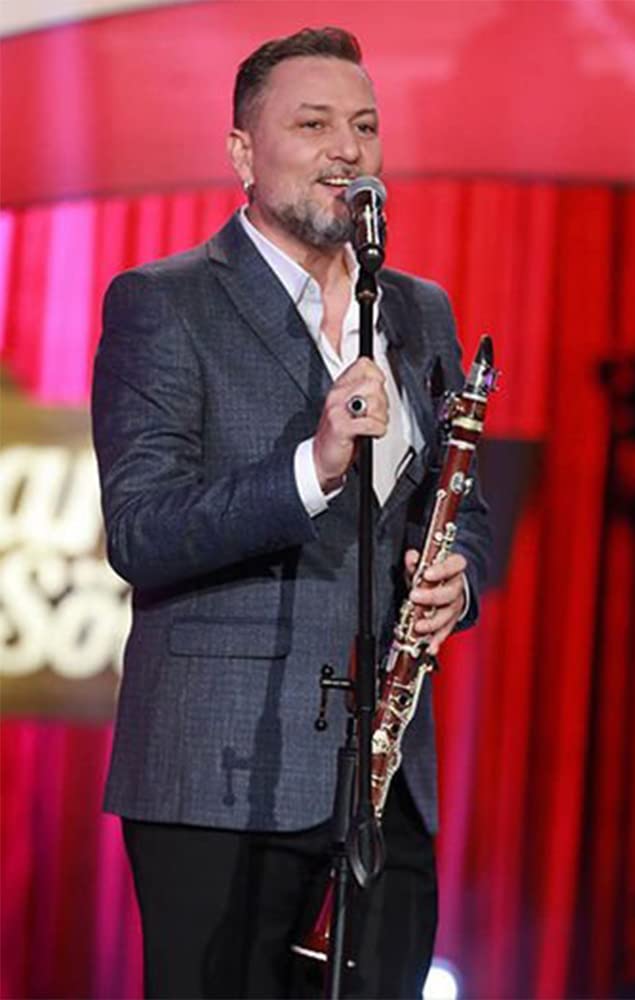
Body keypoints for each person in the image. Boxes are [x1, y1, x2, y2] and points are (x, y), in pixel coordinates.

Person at [91, 26, 490, 1000]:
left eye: (365, 125)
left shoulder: (419, 312)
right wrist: (311, 466)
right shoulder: (164, 303)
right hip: (218, 776)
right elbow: (141, 529)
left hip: (384, 784)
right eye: (312, 125)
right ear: (242, 152)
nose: (347, 150)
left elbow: (462, 503)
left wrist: (462, 577)